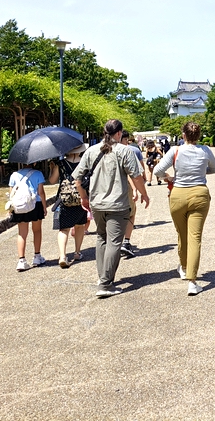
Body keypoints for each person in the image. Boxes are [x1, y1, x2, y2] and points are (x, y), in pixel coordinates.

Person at [73, 119, 150, 298]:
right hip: (118, 203)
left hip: (97, 203)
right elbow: (136, 176)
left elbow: (77, 179)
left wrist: (84, 197)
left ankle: (103, 278)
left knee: (101, 238)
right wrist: (144, 194)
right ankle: (106, 284)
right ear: (119, 134)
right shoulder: (125, 151)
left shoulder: (91, 151)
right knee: (115, 241)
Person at [153, 121, 215, 296]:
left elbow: (157, 170)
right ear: (198, 136)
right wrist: (200, 172)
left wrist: (169, 177)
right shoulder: (205, 150)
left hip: (178, 194)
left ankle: (183, 267)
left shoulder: (175, 150)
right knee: (195, 237)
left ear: (183, 135)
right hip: (199, 193)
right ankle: (192, 280)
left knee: (182, 234)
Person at [47, 144, 88, 268]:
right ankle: (77, 252)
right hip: (81, 197)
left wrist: (52, 168)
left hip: (64, 199)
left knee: (64, 229)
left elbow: (52, 181)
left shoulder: (61, 164)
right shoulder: (85, 163)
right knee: (80, 226)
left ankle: (63, 256)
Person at [8, 163, 47, 271]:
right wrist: (44, 206)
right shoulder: (38, 174)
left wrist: (11, 208)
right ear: (34, 162)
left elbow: (12, 194)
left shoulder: (14, 175)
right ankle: (37, 256)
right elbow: (41, 192)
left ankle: (21, 260)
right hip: (36, 204)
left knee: (22, 233)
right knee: (37, 230)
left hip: (20, 206)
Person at [119, 130, 145, 258]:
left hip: (105, 191)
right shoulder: (128, 151)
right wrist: (138, 190)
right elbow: (133, 175)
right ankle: (126, 242)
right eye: (125, 140)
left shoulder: (101, 151)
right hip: (125, 188)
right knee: (131, 214)